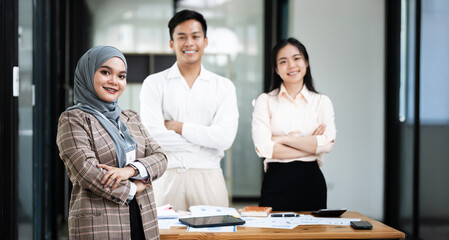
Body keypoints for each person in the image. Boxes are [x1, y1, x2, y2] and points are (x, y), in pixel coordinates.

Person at [56, 46, 167, 239]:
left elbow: (161, 158)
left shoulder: (130, 118)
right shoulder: (73, 119)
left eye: (121, 76)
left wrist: (130, 170)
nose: (114, 81)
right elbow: (86, 171)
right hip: (101, 225)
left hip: (143, 220)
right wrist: (133, 187)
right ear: (88, 74)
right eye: (105, 72)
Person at [139, 10, 239, 211]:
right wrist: (201, 143)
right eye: (181, 37)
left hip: (208, 177)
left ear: (205, 41)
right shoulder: (154, 83)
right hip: (166, 176)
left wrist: (180, 127)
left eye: (195, 36)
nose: (189, 43)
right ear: (171, 43)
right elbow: (151, 135)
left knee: (215, 234)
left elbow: (225, 138)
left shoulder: (224, 86)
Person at [251, 38, 336, 211]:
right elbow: (262, 148)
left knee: (312, 235)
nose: (291, 65)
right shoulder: (265, 100)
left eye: (296, 58)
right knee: (271, 235)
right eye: (283, 61)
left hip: (311, 181)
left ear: (306, 62)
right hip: (276, 180)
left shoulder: (321, 102)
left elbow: (327, 144)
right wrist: (312, 144)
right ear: (276, 69)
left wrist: (281, 139)